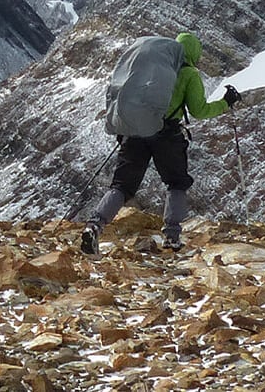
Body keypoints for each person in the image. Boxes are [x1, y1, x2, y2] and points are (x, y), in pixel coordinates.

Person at [80, 32, 241, 254]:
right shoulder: (188, 74)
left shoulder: (153, 68)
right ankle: (172, 236)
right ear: (193, 52)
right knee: (176, 182)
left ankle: (95, 225)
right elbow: (199, 111)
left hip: (136, 131)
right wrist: (225, 103)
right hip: (167, 135)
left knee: (122, 185)